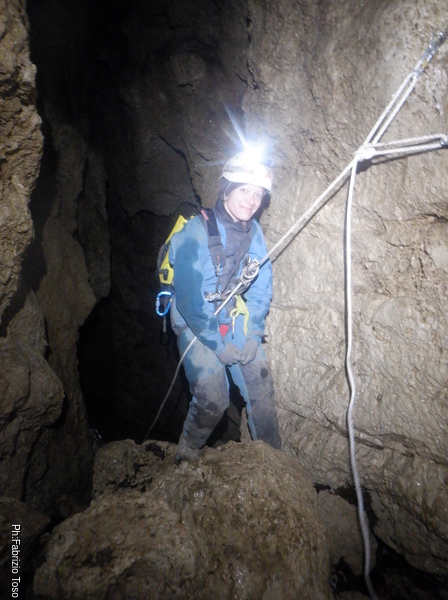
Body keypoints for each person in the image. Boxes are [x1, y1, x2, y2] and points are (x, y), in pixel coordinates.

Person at [169, 150, 282, 463]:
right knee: (213, 398)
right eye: (244, 190)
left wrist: (254, 333)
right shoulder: (194, 234)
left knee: (260, 386)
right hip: (196, 323)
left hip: (230, 314)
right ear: (226, 190)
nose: (251, 200)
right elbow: (190, 303)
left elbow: (261, 287)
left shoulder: (254, 233)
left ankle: (273, 462)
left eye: (258, 194)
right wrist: (218, 347)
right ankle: (187, 451)